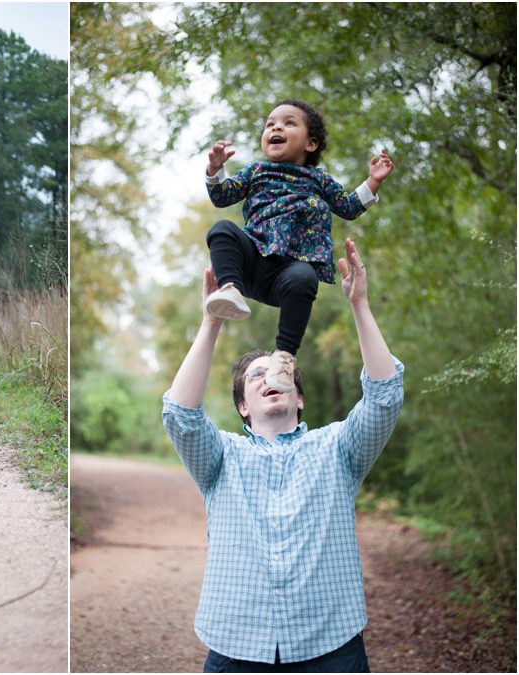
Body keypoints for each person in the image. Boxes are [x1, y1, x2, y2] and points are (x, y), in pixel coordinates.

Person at [162, 238, 404, 673]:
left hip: (331, 649)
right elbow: (181, 415)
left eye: (278, 371)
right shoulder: (220, 458)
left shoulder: (339, 449)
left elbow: (384, 398)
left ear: (299, 397)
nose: (268, 377)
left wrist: (360, 305)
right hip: (236, 647)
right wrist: (212, 321)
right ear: (243, 405)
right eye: (255, 375)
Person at [202, 98, 394, 393]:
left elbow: (348, 207)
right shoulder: (256, 171)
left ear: (310, 143)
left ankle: (283, 358)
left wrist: (373, 181)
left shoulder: (319, 180)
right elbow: (222, 196)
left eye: (289, 123)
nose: (276, 127)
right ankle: (231, 289)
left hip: (289, 276)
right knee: (222, 229)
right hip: (253, 261)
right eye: (270, 124)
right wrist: (215, 168)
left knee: (306, 275)